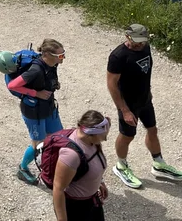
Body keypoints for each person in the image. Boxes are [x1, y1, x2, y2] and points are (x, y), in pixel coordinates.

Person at [105, 24, 182, 188]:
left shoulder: (145, 47)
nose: (140, 44)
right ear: (127, 37)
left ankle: (159, 164)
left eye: (142, 41)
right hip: (128, 104)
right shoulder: (118, 56)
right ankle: (121, 166)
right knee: (127, 135)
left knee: (152, 129)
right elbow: (111, 84)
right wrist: (124, 110)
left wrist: (148, 92)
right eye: (136, 41)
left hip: (145, 100)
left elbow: (146, 71)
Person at [10, 38, 66, 184]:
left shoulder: (52, 64)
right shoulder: (35, 70)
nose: (63, 58)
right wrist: (36, 93)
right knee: (38, 144)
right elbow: (13, 85)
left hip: (48, 107)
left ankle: (54, 166)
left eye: (63, 54)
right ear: (47, 55)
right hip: (34, 112)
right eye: (60, 56)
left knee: (58, 137)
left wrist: (54, 84)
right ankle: (22, 168)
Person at [51, 110, 112, 221]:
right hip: (76, 207)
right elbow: (58, 188)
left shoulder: (91, 141)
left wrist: (100, 182)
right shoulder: (70, 155)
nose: (105, 139)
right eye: (103, 137)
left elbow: (93, 163)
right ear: (91, 135)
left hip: (91, 200)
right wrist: (62, 219)